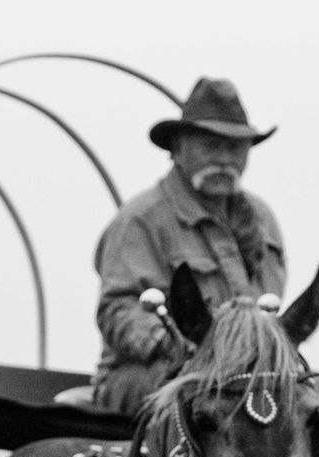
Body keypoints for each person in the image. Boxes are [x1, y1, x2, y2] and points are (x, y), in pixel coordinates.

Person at [91, 77, 286, 414]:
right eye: (211, 146)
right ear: (178, 149)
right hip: (148, 376)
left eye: (236, 148)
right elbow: (118, 309)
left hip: (243, 376)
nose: (225, 159)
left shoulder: (261, 219)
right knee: (202, 395)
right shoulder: (141, 219)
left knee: (311, 397)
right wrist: (180, 345)